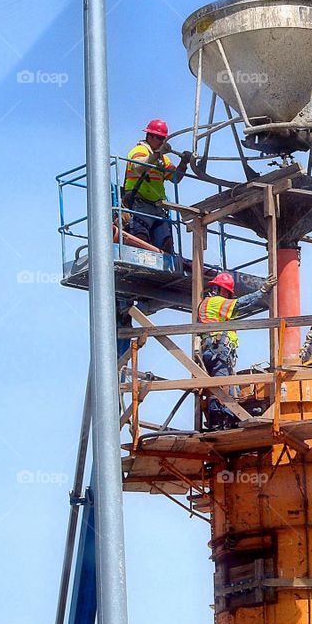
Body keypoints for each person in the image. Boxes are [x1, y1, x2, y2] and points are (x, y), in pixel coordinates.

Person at [197, 270, 277, 429]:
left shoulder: (209, 305)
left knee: (222, 387)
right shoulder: (216, 302)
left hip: (212, 350)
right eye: (226, 292)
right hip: (217, 351)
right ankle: (219, 422)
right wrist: (262, 291)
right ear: (220, 290)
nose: (227, 295)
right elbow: (241, 303)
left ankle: (223, 419)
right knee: (223, 387)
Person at [122, 119, 190, 253]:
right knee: (140, 241)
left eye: (163, 139)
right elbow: (138, 167)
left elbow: (175, 178)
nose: (161, 141)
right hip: (139, 205)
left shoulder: (163, 159)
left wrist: (184, 163)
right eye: (159, 138)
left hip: (158, 208)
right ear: (149, 136)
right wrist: (157, 154)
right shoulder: (139, 150)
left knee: (167, 244)